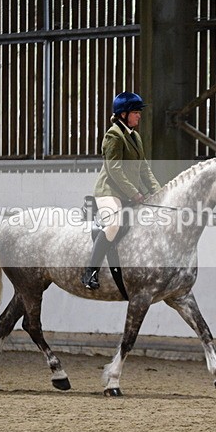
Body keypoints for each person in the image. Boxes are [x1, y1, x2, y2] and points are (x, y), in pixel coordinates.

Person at [81, 91, 162, 290]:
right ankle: (90, 272)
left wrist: (160, 192)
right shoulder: (113, 136)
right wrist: (135, 193)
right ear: (123, 114)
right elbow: (114, 169)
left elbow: (144, 168)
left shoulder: (135, 136)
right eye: (135, 112)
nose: (139, 115)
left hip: (126, 193)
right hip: (109, 191)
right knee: (114, 224)